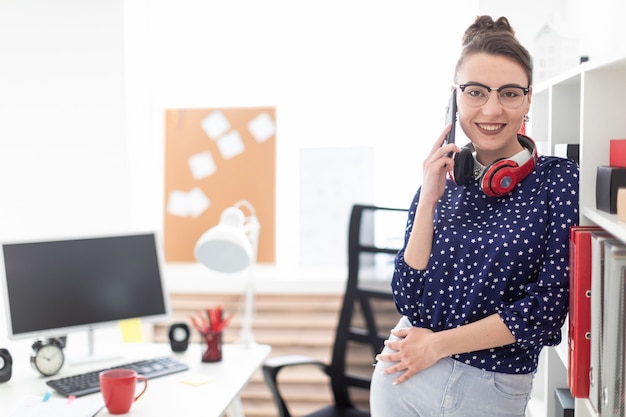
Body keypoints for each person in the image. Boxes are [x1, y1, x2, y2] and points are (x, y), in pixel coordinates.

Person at [370, 15, 579, 417]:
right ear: (455, 100)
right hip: (403, 381)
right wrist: (429, 199)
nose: (493, 109)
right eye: (477, 92)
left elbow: (547, 310)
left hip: (492, 391)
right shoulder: (438, 182)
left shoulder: (557, 180)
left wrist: (437, 345)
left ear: (529, 99)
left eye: (510, 93)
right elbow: (408, 297)